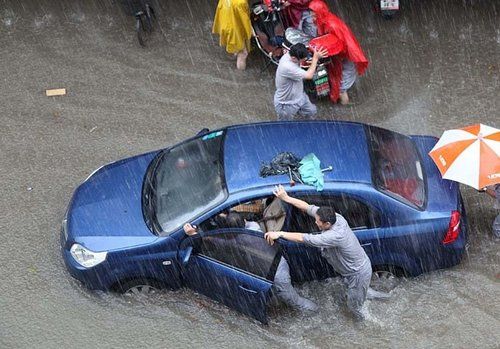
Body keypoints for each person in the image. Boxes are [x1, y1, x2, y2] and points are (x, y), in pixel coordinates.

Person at [264, 185, 372, 319]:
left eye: (318, 221)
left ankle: (362, 323)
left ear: (327, 224)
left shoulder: (334, 236)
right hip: (354, 270)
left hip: (357, 273)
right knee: (359, 292)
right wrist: (285, 198)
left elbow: (303, 238)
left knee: (354, 308)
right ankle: (365, 292)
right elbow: (306, 207)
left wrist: (279, 233)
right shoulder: (335, 217)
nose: (315, 222)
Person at [183, 212, 318, 311]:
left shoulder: (239, 241)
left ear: (233, 231)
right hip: (277, 260)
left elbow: (215, 241)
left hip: (277, 273)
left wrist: (194, 234)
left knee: (294, 301)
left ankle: (314, 311)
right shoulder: (253, 226)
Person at [307, 0, 369, 104]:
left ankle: (344, 104)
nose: (313, 19)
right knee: (338, 77)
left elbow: (342, 44)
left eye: (314, 16)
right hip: (340, 56)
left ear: (320, 14)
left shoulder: (332, 25)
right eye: (312, 16)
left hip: (346, 55)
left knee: (341, 86)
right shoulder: (324, 20)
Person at [274, 43, 328, 121]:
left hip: (300, 96)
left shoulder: (292, 54)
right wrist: (315, 59)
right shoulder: (287, 67)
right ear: (293, 58)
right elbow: (309, 75)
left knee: (312, 112)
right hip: (286, 103)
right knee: (285, 126)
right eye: (304, 59)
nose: (306, 59)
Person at [212, 0, 252, 70]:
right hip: (235, 30)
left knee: (236, 47)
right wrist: (251, 32)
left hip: (226, 27)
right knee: (243, 53)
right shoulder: (241, 3)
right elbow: (245, 22)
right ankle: (241, 73)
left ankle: (235, 51)